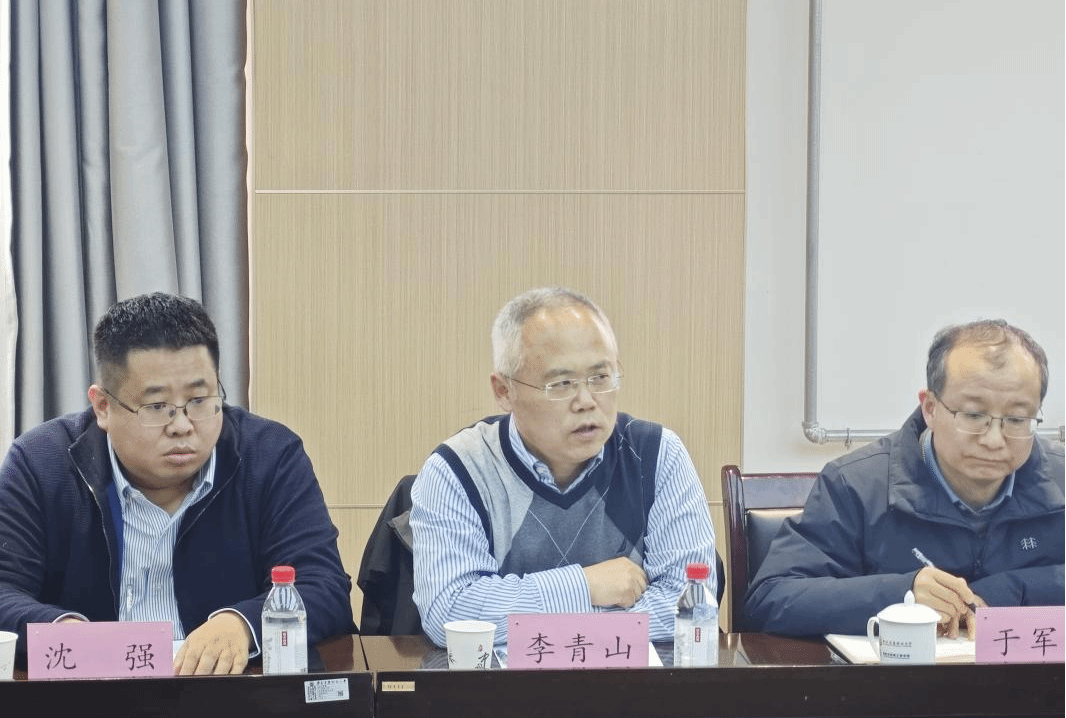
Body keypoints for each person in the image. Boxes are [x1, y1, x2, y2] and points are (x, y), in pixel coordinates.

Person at [0, 293, 356, 674]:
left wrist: (242, 624)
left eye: (200, 400)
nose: (183, 425)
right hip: (91, 691)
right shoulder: (41, 463)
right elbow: (5, 590)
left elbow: (323, 584)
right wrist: (66, 634)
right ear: (103, 406)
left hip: (227, 692)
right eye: (157, 407)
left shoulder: (270, 456)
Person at [410, 287, 716, 646]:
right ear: (504, 391)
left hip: (632, 680)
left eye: (600, 378)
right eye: (561, 384)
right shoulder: (458, 470)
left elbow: (690, 605)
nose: (586, 401)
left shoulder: (656, 455)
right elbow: (450, 612)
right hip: (498, 682)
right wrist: (584, 586)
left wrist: (551, 629)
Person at [744, 319, 1064, 638]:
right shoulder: (856, 485)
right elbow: (770, 600)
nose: (994, 440)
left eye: (1016, 419)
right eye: (973, 415)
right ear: (930, 408)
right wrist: (902, 595)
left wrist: (1008, 590)